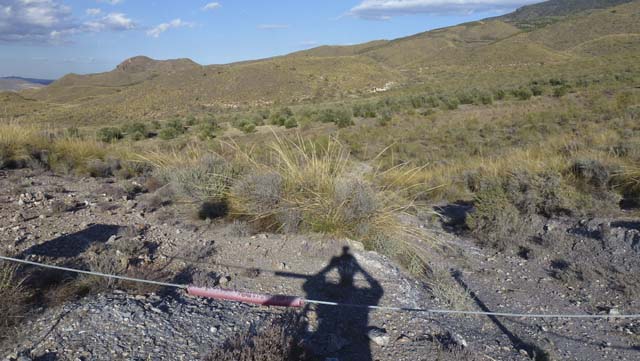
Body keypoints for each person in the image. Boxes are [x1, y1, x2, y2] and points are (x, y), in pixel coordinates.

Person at [301, 246, 384, 361]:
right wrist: (360, 268)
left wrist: (330, 266)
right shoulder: (360, 295)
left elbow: (307, 285)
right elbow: (379, 290)